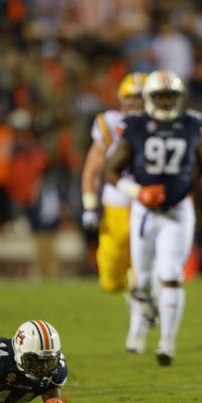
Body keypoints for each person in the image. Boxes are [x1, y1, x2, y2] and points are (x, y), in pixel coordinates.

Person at [105, 70, 202, 365]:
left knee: (169, 274)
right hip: (145, 210)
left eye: (171, 97)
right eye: (161, 97)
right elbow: (110, 170)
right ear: (149, 99)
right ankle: (137, 331)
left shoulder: (192, 124)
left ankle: (167, 342)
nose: (166, 102)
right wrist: (138, 192)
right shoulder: (136, 126)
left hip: (178, 209)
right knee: (142, 279)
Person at [81, 72, 146, 294]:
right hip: (116, 207)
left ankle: (141, 299)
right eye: (132, 97)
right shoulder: (110, 123)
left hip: (148, 205)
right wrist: (90, 205)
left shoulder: (162, 125)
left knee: (145, 270)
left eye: (141, 97)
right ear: (121, 99)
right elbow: (93, 168)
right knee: (109, 281)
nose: (136, 102)